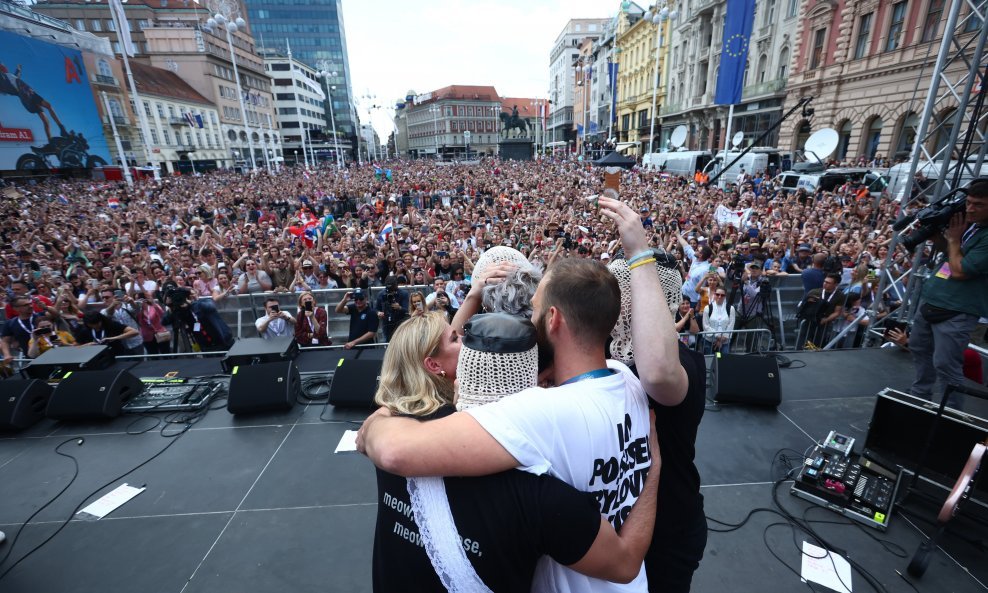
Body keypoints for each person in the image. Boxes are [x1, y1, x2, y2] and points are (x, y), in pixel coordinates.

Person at [358, 195, 687, 593]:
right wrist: (653, 472)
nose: (527, 320)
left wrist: (379, 418)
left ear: (553, 319)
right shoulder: (628, 382)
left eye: (533, 309)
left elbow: (397, 453)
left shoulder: (539, 414)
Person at [371, 312, 659, 591]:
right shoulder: (540, 492)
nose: (462, 339)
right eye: (455, 338)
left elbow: (388, 432)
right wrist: (653, 463)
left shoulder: (397, 432)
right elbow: (624, 564)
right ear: (533, 382)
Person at [909, 178, 988, 408]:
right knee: (919, 348)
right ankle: (919, 395)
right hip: (933, 300)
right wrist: (938, 238)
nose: (970, 208)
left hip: (957, 309)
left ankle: (950, 411)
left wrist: (953, 239)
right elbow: (954, 256)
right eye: (970, 202)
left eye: (979, 204)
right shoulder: (973, 226)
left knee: (945, 363)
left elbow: (960, 270)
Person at [72, 310, 140, 356]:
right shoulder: (84, 330)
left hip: (116, 355)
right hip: (94, 357)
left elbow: (135, 332)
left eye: (97, 324)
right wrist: (86, 346)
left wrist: (114, 338)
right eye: (92, 325)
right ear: (87, 324)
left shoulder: (111, 325)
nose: (95, 327)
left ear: (101, 320)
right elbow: (74, 347)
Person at [99, 288, 145, 356]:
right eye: (103, 298)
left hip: (136, 341)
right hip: (120, 345)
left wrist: (132, 301)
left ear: (114, 296)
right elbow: (106, 315)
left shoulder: (127, 306)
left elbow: (137, 309)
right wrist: (113, 305)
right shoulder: (104, 311)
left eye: (107, 297)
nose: (104, 299)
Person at [1, 295, 45, 362]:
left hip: (49, 353)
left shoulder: (42, 316)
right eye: (26, 305)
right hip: (30, 358)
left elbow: (56, 315)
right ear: (16, 308)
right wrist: (7, 355)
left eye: (30, 303)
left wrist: (45, 307)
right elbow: (5, 341)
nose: (30, 306)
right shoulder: (10, 323)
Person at [702, 287, 735, 354]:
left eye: (722, 295)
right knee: (709, 361)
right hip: (709, 341)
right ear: (714, 294)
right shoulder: (707, 308)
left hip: (724, 342)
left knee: (722, 361)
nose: (719, 297)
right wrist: (717, 336)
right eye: (717, 294)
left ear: (725, 296)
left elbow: (731, 325)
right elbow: (705, 325)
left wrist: (722, 340)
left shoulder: (731, 308)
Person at [375, 275, 409, 342]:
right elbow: (376, 309)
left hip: (400, 323)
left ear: (396, 285)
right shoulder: (381, 294)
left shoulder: (404, 294)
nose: (391, 292)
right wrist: (378, 313)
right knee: (388, 344)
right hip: (386, 324)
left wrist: (399, 308)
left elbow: (407, 311)